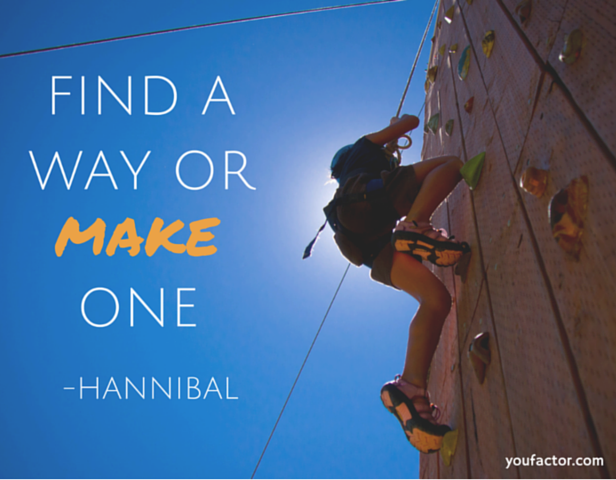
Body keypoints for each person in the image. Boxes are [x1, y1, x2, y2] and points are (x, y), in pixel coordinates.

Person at [328, 114, 468, 453]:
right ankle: (416, 224)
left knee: (436, 301)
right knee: (450, 164)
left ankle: (411, 386)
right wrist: (393, 131)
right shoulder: (364, 147)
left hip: (367, 245)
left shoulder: (347, 179)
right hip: (368, 199)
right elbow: (411, 121)